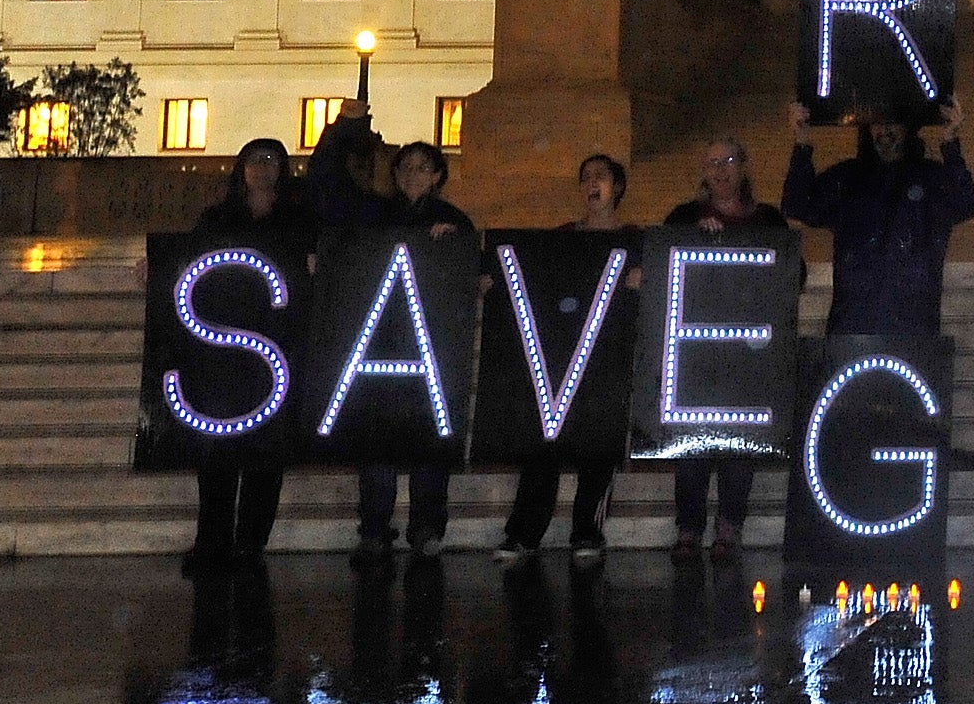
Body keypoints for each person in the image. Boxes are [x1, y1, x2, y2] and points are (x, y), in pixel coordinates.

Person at [307, 103, 476, 563]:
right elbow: (324, 180)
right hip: (379, 343)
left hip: (429, 350)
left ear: (439, 175)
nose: (411, 173)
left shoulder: (455, 223)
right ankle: (376, 528)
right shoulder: (374, 214)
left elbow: (468, 279)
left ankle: (426, 528)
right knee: (377, 438)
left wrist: (456, 249)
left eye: (423, 166)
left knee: (429, 439)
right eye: (404, 165)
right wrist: (345, 127)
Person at [178, 137, 315, 576]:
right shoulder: (218, 218)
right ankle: (211, 541)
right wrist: (156, 265)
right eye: (255, 160)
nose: (263, 167)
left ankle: (250, 544)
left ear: (283, 168)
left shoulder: (298, 219)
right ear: (241, 168)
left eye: (272, 159)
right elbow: (187, 259)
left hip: (276, 349)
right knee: (217, 454)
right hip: (224, 353)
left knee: (265, 456)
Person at [494, 153, 637, 571]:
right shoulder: (561, 236)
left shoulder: (635, 239)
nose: (592, 183)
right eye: (586, 176)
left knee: (599, 447)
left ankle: (587, 531)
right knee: (542, 448)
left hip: (608, 357)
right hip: (559, 358)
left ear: (618, 187)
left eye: (601, 176)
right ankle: (524, 532)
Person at [660, 136, 787, 562]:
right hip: (695, 350)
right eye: (712, 162)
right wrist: (698, 240)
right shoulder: (684, 216)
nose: (720, 170)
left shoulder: (768, 220)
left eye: (728, 160)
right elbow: (662, 264)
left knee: (739, 444)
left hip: (747, 351)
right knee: (693, 444)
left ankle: (730, 526)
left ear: (744, 165)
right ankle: (689, 528)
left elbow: (792, 274)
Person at [782, 98, 974, 343]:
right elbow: (797, 205)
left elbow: (965, 204)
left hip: (912, 328)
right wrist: (801, 142)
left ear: (908, 128)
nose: (884, 131)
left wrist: (950, 142)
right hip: (854, 327)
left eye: (892, 123)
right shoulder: (849, 178)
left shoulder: (929, 178)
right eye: (876, 123)